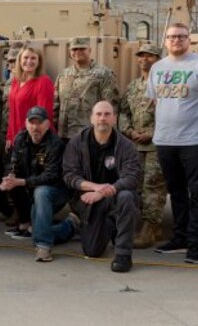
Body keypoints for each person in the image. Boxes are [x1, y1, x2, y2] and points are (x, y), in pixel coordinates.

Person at [147, 23, 198, 264]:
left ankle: (195, 246)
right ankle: (179, 238)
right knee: (177, 193)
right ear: (165, 40)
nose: (176, 40)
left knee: (197, 195)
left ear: (189, 39)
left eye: (181, 36)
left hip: (195, 141)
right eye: (171, 37)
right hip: (165, 141)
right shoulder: (157, 68)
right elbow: (155, 102)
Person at [62, 101, 142, 273]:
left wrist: (106, 191)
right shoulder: (77, 143)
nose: (102, 118)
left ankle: (123, 255)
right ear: (91, 118)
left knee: (127, 196)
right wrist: (95, 188)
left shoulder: (126, 146)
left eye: (107, 114)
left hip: (116, 196)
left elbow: (132, 177)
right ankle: (110, 225)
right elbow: (69, 176)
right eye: (98, 114)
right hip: (89, 200)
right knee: (92, 251)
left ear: (114, 119)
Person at [0, 106, 74, 262]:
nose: (35, 127)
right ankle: (69, 226)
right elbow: (13, 164)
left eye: (39, 123)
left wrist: (21, 181)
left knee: (41, 192)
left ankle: (44, 247)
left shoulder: (56, 144)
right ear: (26, 124)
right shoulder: (20, 139)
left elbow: (51, 176)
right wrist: (8, 178)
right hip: (32, 189)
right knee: (37, 230)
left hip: (56, 191)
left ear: (47, 124)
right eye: (31, 123)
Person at [119, 43, 166, 249]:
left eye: (150, 56)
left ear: (158, 59)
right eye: (141, 56)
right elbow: (122, 112)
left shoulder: (164, 85)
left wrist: (151, 133)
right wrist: (129, 131)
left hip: (156, 144)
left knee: (153, 187)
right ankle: (148, 226)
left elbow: (172, 113)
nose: (144, 60)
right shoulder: (133, 86)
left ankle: (150, 229)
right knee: (135, 187)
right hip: (134, 146)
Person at [53, 37, 119, 141]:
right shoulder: (63, 75)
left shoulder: (104, 74)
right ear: (70, 52)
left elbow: (110, 106)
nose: (78, 52)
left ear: (90, 50)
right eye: (74, 49)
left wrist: (108, 135)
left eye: (82, 49)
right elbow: (56, 105)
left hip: (91, 135)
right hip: (64, 135)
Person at [7, 45, 54, 150]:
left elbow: (44, 116)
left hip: (34, 140)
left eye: (33, 58)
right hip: (16, 138)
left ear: (39, 62)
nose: (29, 61)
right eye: (26, 57)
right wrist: (10, 136)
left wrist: (34, 141)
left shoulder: (43, 82)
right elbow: (12, 112)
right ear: (19, 60)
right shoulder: (16, 80)